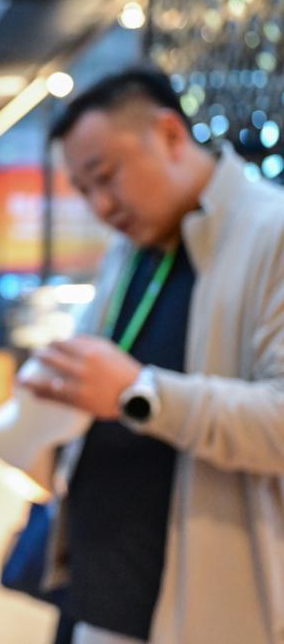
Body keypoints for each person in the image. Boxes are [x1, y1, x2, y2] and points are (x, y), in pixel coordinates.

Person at [17, 68, 284, 643]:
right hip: (98, 592)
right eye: (83, 190)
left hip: (214, 611)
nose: (100, 204)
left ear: (169, 134)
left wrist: (138, 394)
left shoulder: (272, 234)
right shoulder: (130, 248)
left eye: (104, 176)